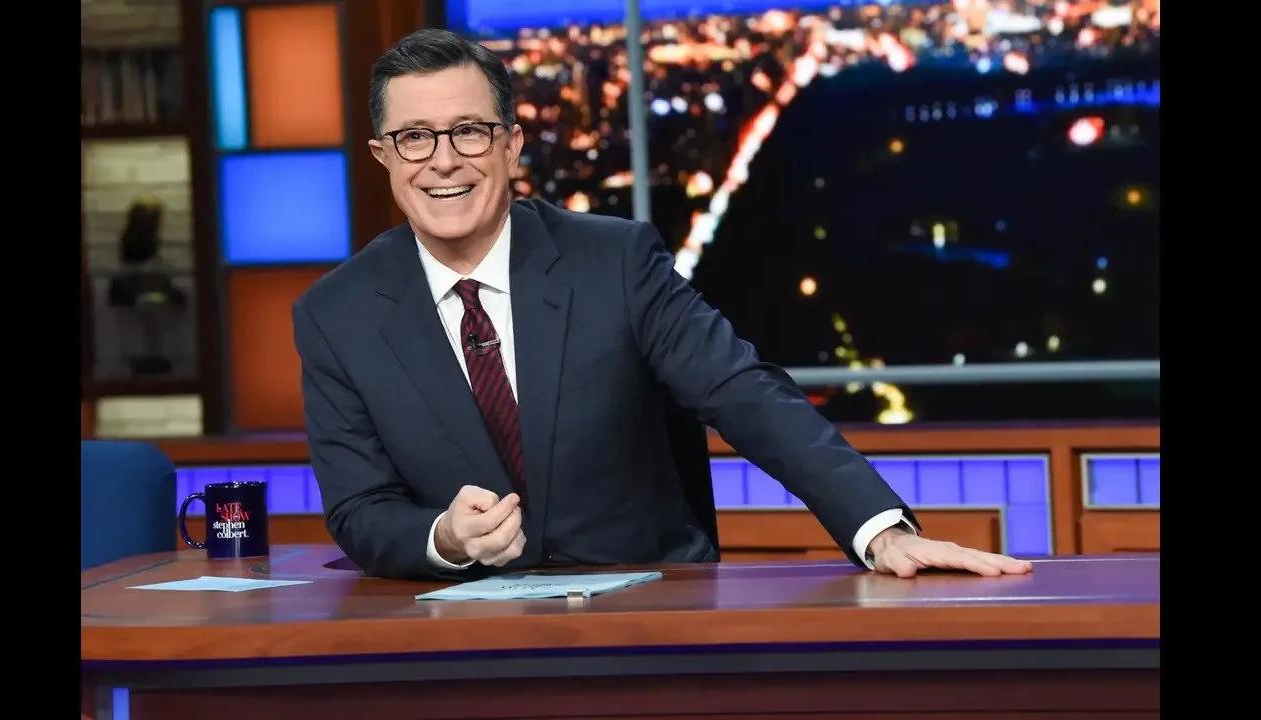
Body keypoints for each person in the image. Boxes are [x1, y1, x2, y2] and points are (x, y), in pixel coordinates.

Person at [292, 28, 1034, 582]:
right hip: (458, 644)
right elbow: (361, 509)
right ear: (383, 156)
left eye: (468, 132)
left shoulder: (614, 261)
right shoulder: (336, 315)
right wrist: (444, 539)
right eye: (414, 138)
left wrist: (880, 531)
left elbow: (743, 392)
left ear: (511, 145)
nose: (443, 160)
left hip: (645, 620)